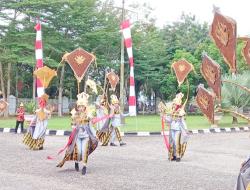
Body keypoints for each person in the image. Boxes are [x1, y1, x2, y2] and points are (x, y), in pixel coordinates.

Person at [57, 92, 98, 175]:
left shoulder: (88, 115)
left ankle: (84, 166)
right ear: (78, 107)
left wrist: (95, 135)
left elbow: (90, 126)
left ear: (85, 107)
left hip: (86, 136)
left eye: (83, 106)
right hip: (78, 136)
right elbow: (72, 125)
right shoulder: (75, 115)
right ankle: (76, 162)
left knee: (84, 151)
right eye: (80, 106)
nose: (81, 108)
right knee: (78, 152)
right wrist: (75, 126)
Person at [164, 93, 189, 162]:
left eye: (175, 104)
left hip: (178, 128)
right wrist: (165, 118)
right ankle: (173, 155)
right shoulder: (172, 111)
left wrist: (186, 129)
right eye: (173, 104)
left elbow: (183, 121)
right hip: (172, 128)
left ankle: (178, 155)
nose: (174, 105)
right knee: (172, 142)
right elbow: (171, 120)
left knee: (176, 141)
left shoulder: (181, 112)